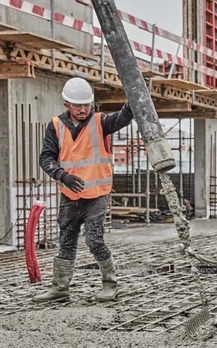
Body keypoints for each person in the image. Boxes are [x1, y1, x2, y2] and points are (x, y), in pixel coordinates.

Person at [34, 77, 134, 303]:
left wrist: (132, 102)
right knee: (66, 239)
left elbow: (123, 118)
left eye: (87, 104)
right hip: (70, 194)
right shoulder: (56, 125)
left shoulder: (101, 122)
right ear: (66, 104)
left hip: (97, 194)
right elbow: (46, 157)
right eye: (78, 105)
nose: (83, 109)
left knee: (94, 239)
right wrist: (62, 176)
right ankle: (60, 288)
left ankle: (111, 284)